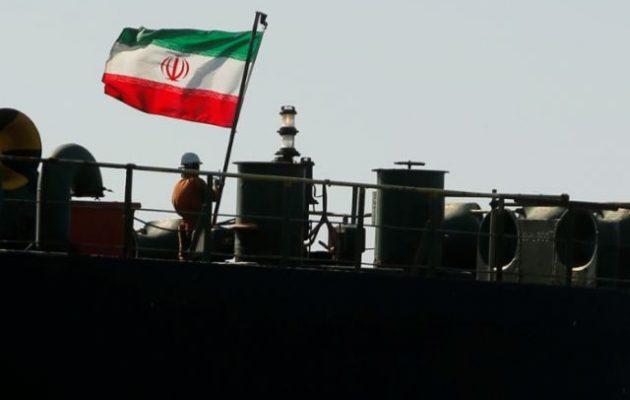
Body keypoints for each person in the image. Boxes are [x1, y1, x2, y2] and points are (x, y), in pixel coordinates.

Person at [171, 152, 213, 260]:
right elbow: (213, 196)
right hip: (196, 226)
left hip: (183, 226)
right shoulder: (197, 182)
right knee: (199, 257)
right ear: (194, 167)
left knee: (184, 256)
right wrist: (217, 186)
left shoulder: (178, 184)